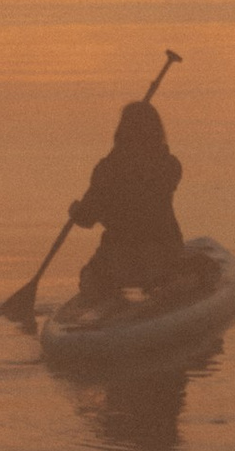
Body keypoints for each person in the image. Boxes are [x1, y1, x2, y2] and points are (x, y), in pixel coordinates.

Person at [68, 90, 192, 302]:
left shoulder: (107, 169)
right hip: (162, 257)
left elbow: (86, 219)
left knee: (89, 276)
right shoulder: (170, 165)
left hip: (118, 263)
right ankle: (168, 287)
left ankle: (107, 301)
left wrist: (75, 210)